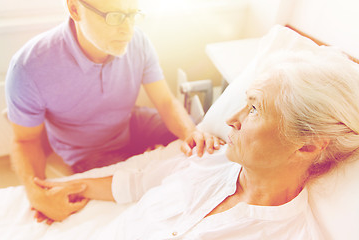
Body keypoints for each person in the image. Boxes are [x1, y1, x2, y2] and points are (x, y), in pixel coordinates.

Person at [34, 48, 359, 239]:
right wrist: (74, 188)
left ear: (307, 146)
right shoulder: (211, 155)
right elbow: (138, 182)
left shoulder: (288, 234)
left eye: (255, 108)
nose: (233, 118)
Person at [5, 0, 223, 225]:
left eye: (132, 15)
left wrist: (190, 132)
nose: (127, 30)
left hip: (130, 122)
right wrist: (37, 195)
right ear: (74, 9)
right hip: (89, 150)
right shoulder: (29, 67)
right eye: (114, 17)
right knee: (137, 192)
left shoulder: (138, 42)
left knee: (206, 140)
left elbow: (166, 102)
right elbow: (26, 141)